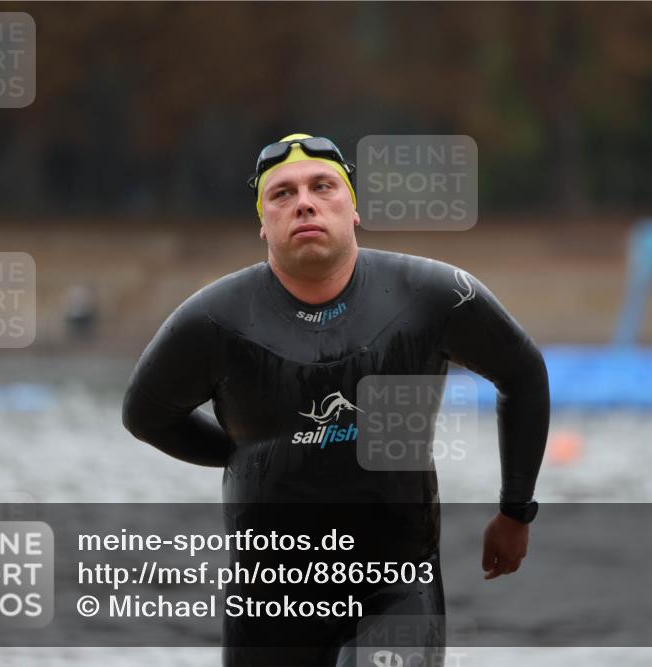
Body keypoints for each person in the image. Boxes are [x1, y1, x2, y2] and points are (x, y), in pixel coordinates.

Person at [122, 134, 550, 666]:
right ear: (263, 224)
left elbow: (524, 374)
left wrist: (515, 511)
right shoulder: (213, 321)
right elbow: (145, 416)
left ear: (354, 210)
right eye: (282, 194)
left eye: (323, 187)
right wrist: (238, 451)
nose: (304, 201)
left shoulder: (434, 296)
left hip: (395, 585)